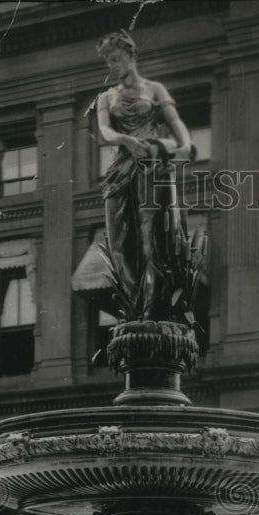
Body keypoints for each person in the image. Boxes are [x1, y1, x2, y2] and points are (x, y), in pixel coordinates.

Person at [95, 30, 192, 319]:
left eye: (115, 59)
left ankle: (152, 308)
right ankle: (133, 307)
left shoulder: (154, 90)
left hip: (152, 166)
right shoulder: (106, 97)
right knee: (119, 241)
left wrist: (182, 147)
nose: (111, 66)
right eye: (107, 62)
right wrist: (127, 141)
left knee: (152, 239)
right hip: (121, 168)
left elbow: (177, 126)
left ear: (130, 55)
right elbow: (105, 131)